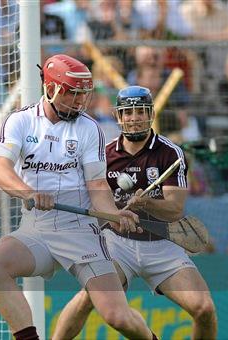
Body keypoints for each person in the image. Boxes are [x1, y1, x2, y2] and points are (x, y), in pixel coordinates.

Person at [0, 55, 157, 340]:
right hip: (36, 229)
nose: (79, 102)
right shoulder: (20, 122)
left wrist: (114, 215)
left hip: (80, 232)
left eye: (83, 95)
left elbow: (97, 186)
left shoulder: (89, 129)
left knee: (117, 316)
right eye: (72, 94)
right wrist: (30, 193)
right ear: (51, 89)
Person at [53, 86, 217, 340]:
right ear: (119, 117)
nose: (134, 117)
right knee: (89, 297)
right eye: (128, 112)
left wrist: (145, 202)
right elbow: (90, 199)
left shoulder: (170, 154)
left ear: (150, 114)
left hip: (161, 242)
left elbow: (174, 209)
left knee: (204, 309)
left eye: (140, 111)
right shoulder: (102, 155)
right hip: (116, 245)